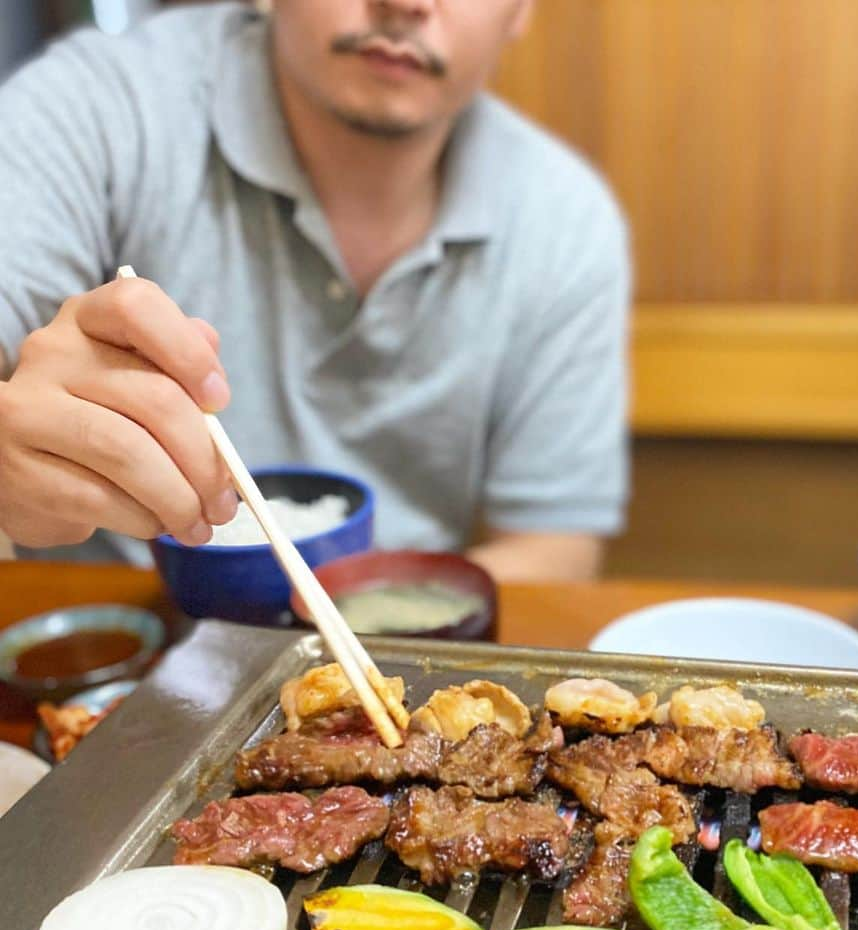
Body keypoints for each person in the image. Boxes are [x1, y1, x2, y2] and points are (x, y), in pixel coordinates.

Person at [0, 0, 630, 581]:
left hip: (386, 653)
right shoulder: (96, 109)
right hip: (113, 650)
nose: (407, 3)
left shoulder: (561, 216)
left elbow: (553, 546)